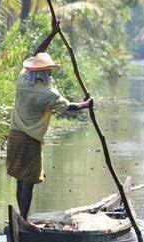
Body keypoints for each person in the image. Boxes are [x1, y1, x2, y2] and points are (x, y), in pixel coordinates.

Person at [6, 22, 93, 224]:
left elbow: (38, 53)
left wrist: (52, 33)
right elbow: (68, 107)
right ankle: (24, 220)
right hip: (30, 140)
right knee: (28, 181)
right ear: (46, 73)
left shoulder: (22, 80)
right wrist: (85, 104)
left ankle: (21, 218)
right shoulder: (47, 94)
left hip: (14, 135)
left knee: (21, 179)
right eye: (49, 72)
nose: (50, 75)